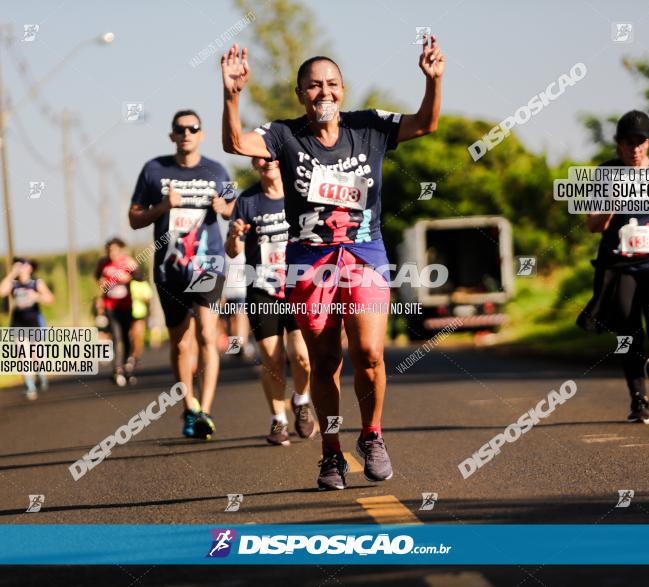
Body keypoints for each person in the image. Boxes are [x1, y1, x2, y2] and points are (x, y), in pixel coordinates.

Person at [220, 39, 444, 489]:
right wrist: (232, 95)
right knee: (325, 364)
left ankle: (373, 436)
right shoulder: (285, 135)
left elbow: (426, 124)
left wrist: (432, 80)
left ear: (343, 90)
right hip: (309, 262)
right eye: (314, 86)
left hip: (365, 255)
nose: (325, 92)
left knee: (370, 354)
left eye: (332, 84)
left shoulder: (370, 126)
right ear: (300, 93)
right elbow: (235, 143)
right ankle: (331, 452)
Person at [128, 109, 234, 440]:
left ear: (201, 134)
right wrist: (162, 207)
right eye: (180, 129)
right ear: (172, 135)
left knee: (206, 333)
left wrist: (224, 208)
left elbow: (235, 207)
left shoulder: (216, 170)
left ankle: (205, 409)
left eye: (193, 128)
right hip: (170, 270)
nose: (187, 133)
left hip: (208, 265)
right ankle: (188, 407)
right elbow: (134, 218)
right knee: (180, 344)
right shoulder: (154, 169)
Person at [582, 110, 649, 424]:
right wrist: (609, 208)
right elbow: (592, 225)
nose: (634, 149)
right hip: (620, 267)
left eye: (640, 142)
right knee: (629, 335)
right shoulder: (605, 173)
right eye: (628, 142)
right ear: (618, 145)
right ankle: (639, 400)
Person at [225, 157, 317, 446]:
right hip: (262, 288)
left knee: (301, 355)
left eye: (271, 158)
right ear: (254, 164)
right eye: (259, 159)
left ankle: (301, 399)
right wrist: (235, 236)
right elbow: (232, 251)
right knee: (272, 358)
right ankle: (279, 421)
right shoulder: (248, 200)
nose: (266, 162)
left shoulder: (299, 192)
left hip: (298, 286)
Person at [0, 257, 54, 400]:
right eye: (17, 266)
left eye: (22, 266)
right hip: (18, 323)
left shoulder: (36, 283)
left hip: (35, 322)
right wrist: (11, 274)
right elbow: (0, 292)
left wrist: (37, 297)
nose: (20, 269)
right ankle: (30, 386)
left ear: (29, 268)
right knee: (23, 356)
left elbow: (50, 299)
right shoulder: (13, 284)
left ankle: (41, 375)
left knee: (37, 356)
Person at [95, 238, 138, 386]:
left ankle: (127, 365)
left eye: (114, 250)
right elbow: (97, 277)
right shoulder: (103, 263)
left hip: (126, 305)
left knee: (126, 336)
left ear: (119, 250)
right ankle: (117, 369)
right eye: (109, 250)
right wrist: (101, 283)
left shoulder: (127, 261)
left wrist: (130, 276)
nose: (111, 253)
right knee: (116, 336)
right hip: (110, 306)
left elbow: (140, 277)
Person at [129, 268, 153, 378]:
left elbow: (148, 297)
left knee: (138, 335)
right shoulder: (129, 284)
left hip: (139, 313)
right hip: (128, 312)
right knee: (132, 335)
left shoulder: (143, 284)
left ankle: (135, 356)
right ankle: (131, 355)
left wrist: (142, 297)